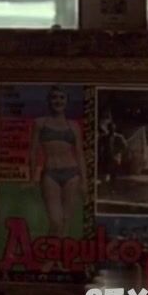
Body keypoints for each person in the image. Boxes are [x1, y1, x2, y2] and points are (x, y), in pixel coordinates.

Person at [30, 87, 87, 239]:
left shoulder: (73, 126)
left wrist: (84, 181)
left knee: (66, 222)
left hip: (72, 174)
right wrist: (32, 177)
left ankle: (58, 253)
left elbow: (80, 154)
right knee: (55, 221)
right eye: (54, 97)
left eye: (62, 97)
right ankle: (49, 250)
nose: (58, 101)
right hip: (50, 174)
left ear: (67, 101)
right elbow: (33, 152)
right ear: (49, 100)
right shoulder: (40, 123)